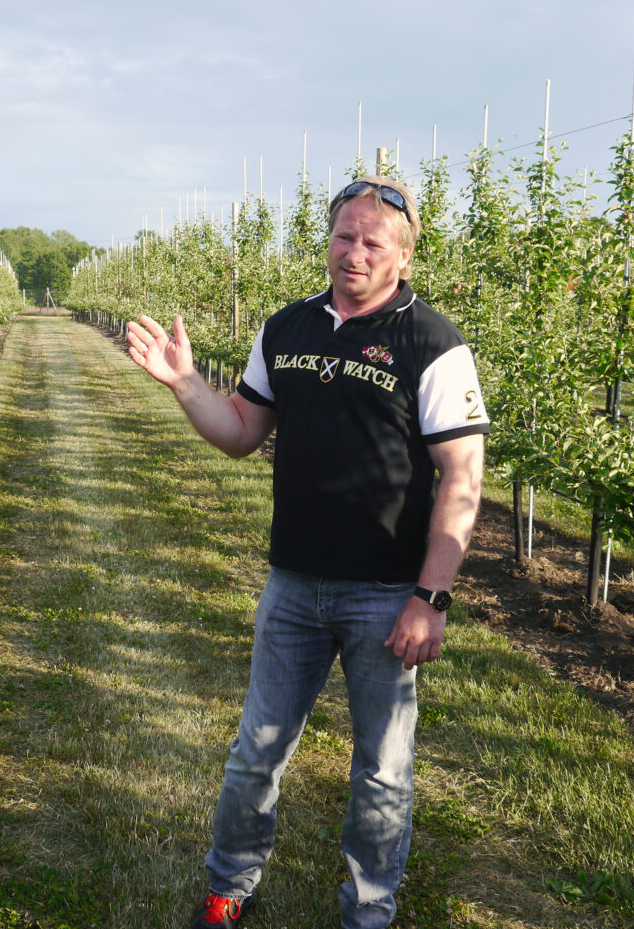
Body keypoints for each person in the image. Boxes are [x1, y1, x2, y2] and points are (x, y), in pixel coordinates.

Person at [127, 175, 488, 929]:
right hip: (293, 585)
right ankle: (229, 886)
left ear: (405, 257)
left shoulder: (433, 342)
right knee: (256, 750)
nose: (353, 253)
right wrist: (184, 382)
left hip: (386, 594)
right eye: (343, 236)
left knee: (383, 770)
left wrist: (431, 596)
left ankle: (368, 911)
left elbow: (461, 476)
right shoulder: (285, 328)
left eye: (372, 242)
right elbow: (239, 434)